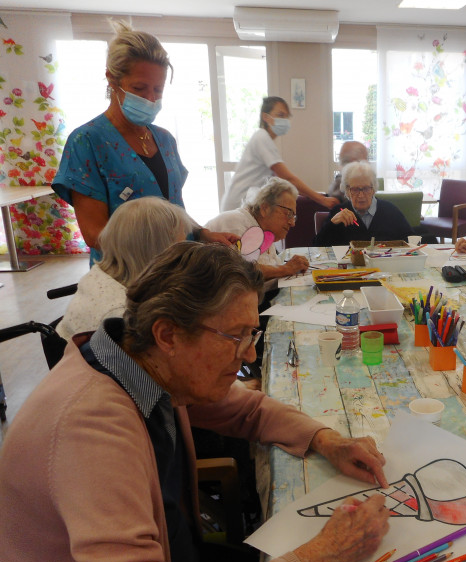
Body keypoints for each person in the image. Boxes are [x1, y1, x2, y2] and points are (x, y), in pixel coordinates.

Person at [0, 242, 390, 562]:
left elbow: (249, 410)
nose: (250, 354)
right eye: (236, 335)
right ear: (168, 334)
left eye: (251, 333)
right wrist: (322, 558)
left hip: (179, 558)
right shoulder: (89, 430)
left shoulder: (141, 364)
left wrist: (328, 440)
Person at [51, 21, 233, 265]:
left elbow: (174, 211)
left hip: (174, 270)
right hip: (126, 275)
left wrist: (203, 234)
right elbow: (95, 234)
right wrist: (157, 249)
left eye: (158, 90)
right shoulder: (87, 141)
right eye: (139, 88)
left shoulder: (165, 140)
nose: (150, 98)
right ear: (112, 80)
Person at [56, 196, 190, 340]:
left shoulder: (101, 273)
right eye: (180, 245)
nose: (182, 255)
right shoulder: (122, 316)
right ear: (156, 251)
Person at [220, 96, 338, 211]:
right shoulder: (262, 138)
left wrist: (312, 195)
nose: (285, 120)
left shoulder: (264, 139)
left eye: (287, 117)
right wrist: (320, 199)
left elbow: (282, 182)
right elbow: (287, 178)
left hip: (244, 204)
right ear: (265, 117)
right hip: (237, 205)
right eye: (281, 115)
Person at [205, 177, 309, 290]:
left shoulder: (264, 230)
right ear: (265, 208)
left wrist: (289, 267)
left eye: (294, 216)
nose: (292, 223)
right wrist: (285, 269)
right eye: (288, 213)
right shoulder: (236, 223)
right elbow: (241, 272)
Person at [314, 161, 414, 247]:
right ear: (347, 191)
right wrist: (332, 224)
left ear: (373, 189)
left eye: (366, 189)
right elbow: (316, 247)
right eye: (355, 189)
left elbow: (411, 241)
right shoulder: (338, 212)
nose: (361, 195)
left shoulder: (390, 211)